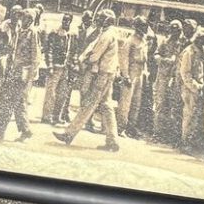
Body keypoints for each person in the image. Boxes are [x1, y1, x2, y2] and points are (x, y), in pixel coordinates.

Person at [54, 9, 120, 152]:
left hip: (103, 75)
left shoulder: (107, 35)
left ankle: (69, 134)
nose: (98, 20)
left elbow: (95, 55)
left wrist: (83, 61)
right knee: (106, 106)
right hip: (108, 74)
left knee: (89, 104)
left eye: (101, 18)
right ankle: (112, 141)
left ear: (108, 20)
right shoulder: (108, 33)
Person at [0, 8, 40, 142]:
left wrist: (30, 77)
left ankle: (0, 132)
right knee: (17, 103)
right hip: (12, 70)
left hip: (22, 74)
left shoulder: (33, 33)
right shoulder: (18, 30)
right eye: (22, 17)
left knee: (8, 101)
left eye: (26, 18)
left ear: (30, 20)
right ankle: (26, 131)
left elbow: (36, 56)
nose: (22, 20)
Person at [177, 27, 204, 152]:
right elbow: (185, 73)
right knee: (189, 116)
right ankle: (185, 142)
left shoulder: (202, 51)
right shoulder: (189, 52)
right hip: (191, 89)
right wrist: (195, 87)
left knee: (195, 116)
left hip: (200, 88)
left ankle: (191, 141)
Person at [152, 20, 184, 142]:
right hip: (163, 77)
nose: (175, 32)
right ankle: (157, 132)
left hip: (175, 78)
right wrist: (163, 60)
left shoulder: (182, 43)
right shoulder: (165, 42)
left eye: (177, 30)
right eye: (172, 30)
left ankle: (170, 135)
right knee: (160, 104)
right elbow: (156, 54)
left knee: (173, 106)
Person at [116, 15, 148, 138]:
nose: (145, 28)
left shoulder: (143, 40)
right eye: (142, 26)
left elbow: (144, 59)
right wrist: (126, 75)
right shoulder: (130, 40)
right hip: (131, 72)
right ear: (137, 27)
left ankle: (131, 127)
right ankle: (120, 127)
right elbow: (123, 58)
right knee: (125, 102)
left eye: (145, 26)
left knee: (136, 102)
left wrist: (145, 73)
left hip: (140, 73)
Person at [42, 13, 74, 124]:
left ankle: (56, 116)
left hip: (65, 68)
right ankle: (46, 116)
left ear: (70, 21)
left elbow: (73, 51)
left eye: (68, 20)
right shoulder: (55, 33)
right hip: (55, 66)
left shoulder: (72, 35)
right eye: (64, 20)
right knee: (51, 93)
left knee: (62, 94)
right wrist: (50, 65)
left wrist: (71, 66)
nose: (65, 22)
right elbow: (49, 50)